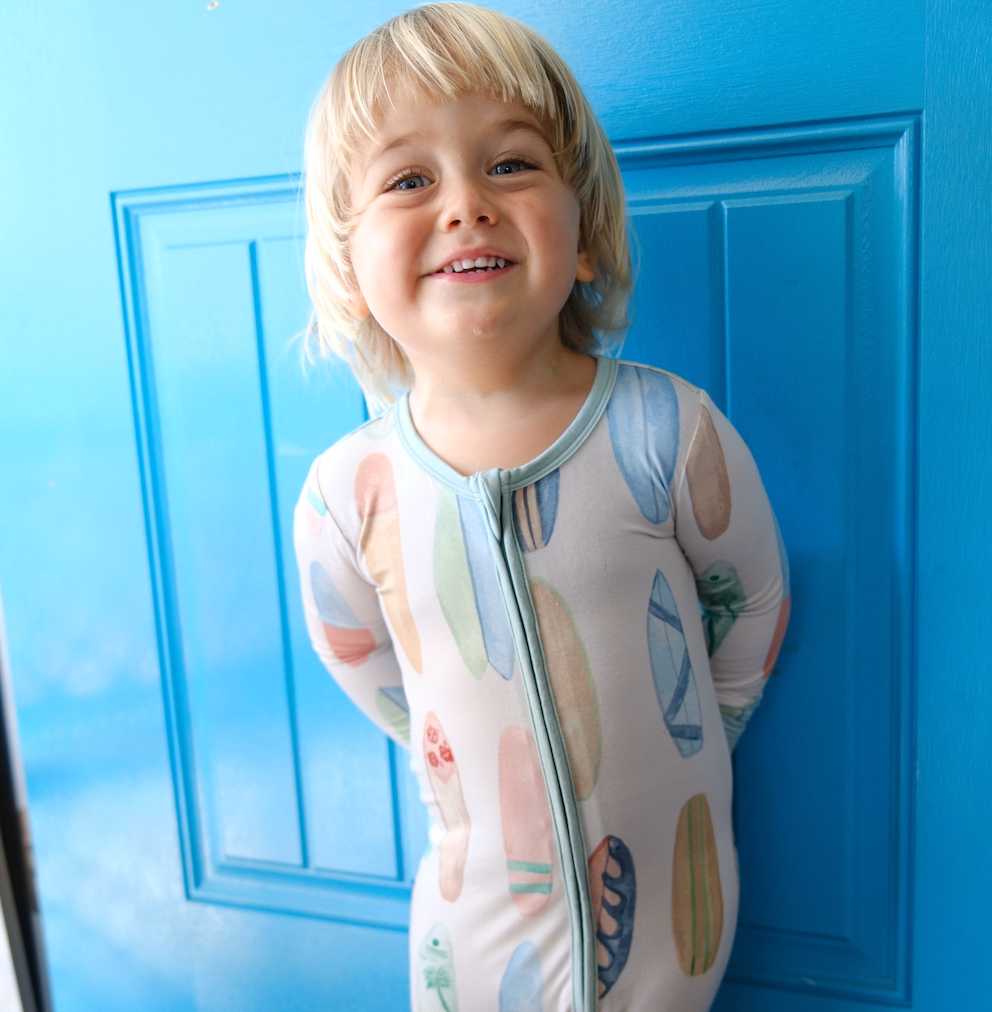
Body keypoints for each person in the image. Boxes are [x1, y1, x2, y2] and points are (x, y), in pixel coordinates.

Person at [294, 4, 790, 1010]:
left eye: (510, 164)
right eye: (408, 180)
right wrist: (451, 758)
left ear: (586, 239)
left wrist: (695, 736)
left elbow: (751, 603)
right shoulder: (349, 492)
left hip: (674, 924)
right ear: (349, 269)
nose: (465, 205)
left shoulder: (666, 430)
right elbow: (360, 656)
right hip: (470, 934)